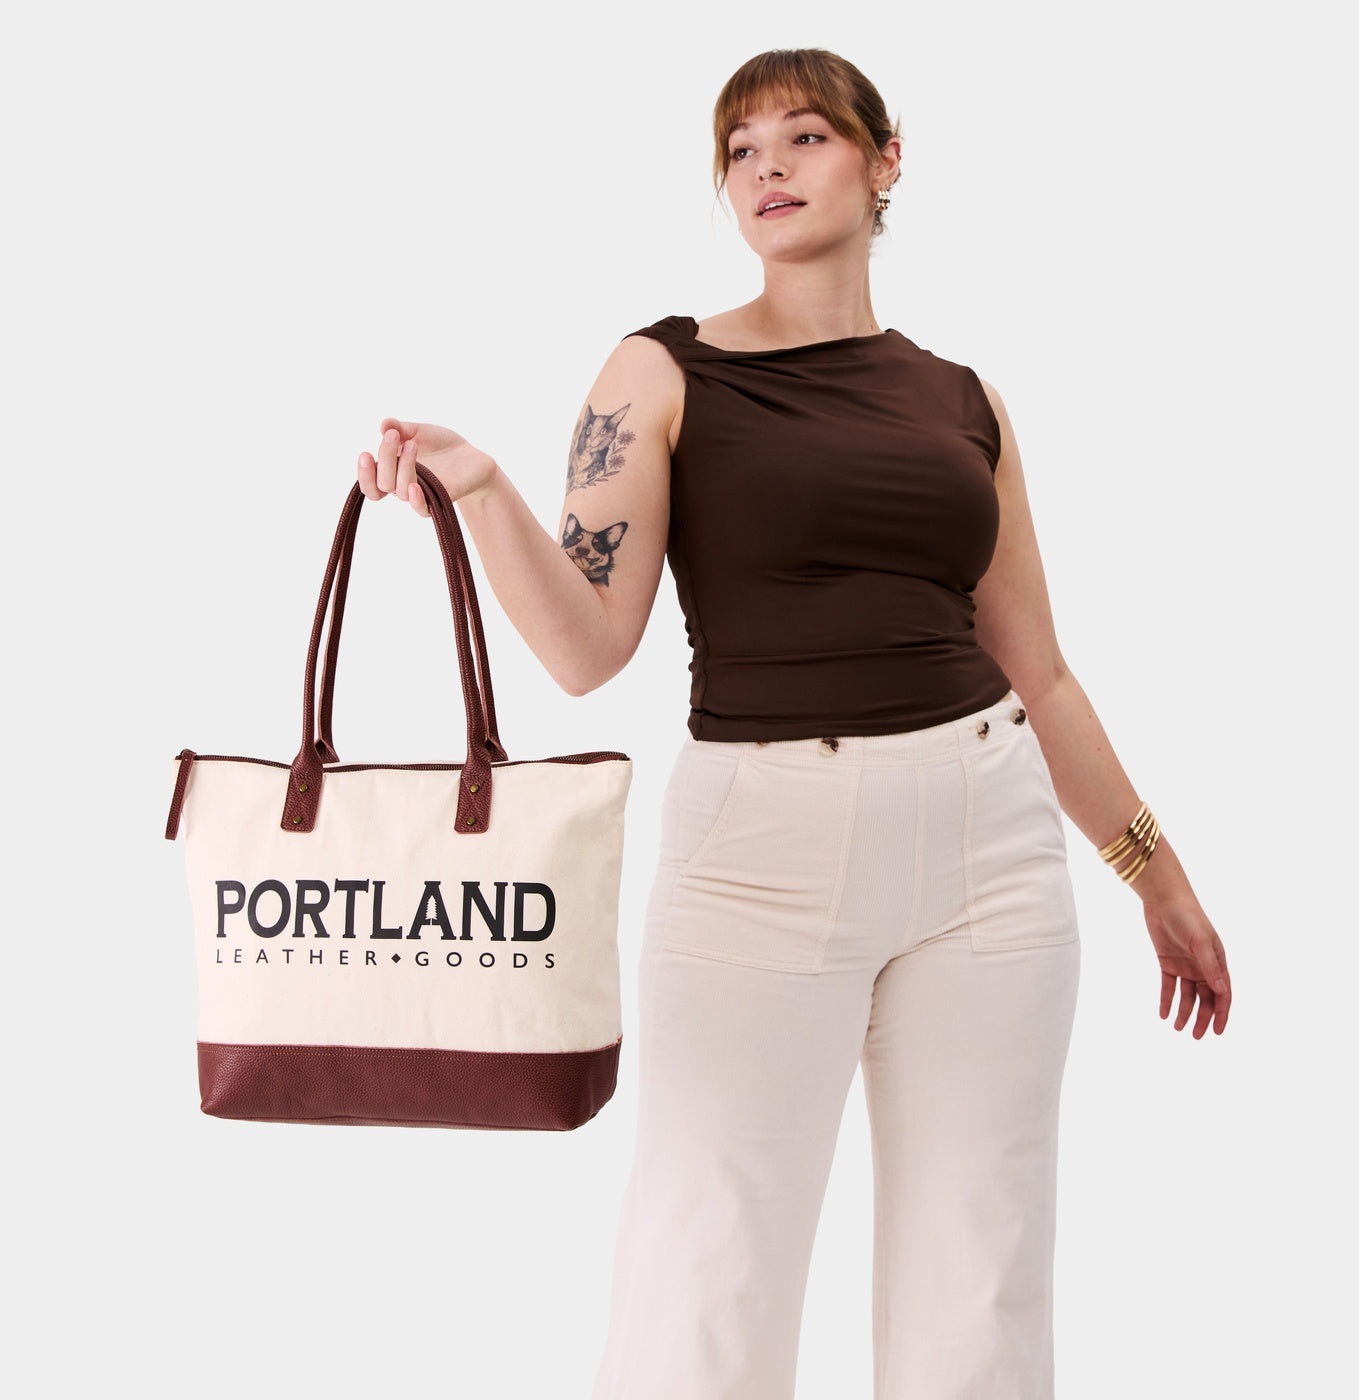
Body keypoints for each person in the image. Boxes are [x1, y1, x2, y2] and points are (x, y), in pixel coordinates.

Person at [356, 45, 1232, 1400]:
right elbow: (587, 649)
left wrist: (1158, 881)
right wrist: (481, 491)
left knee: (983, 1268)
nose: (766, 165)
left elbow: (1042, 675)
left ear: (887, 162)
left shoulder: (966, 400)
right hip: (760, 852)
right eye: (740, 147)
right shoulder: (662, 370)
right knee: (708, 1266)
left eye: (805, 136)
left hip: (991, 848)